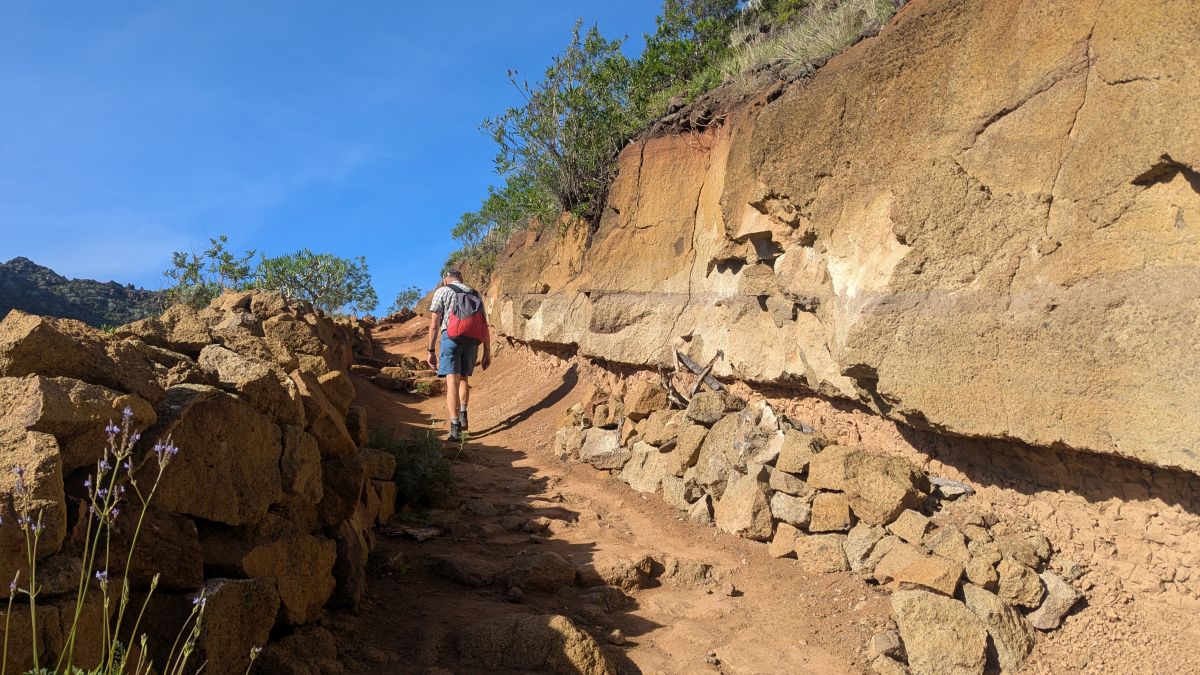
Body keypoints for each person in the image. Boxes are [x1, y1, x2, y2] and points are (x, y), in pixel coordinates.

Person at [426, 268, 491, 441]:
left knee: (452, 381)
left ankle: (454, 428)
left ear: (445, 279)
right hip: (472, 340)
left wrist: (431, 350)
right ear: (460, 278)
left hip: (451, 338)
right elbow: (484, 325)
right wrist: (487, 351)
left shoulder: (442, 291)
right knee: (464, 378)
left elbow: (434, 325)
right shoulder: (474, 293)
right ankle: (463, 414)